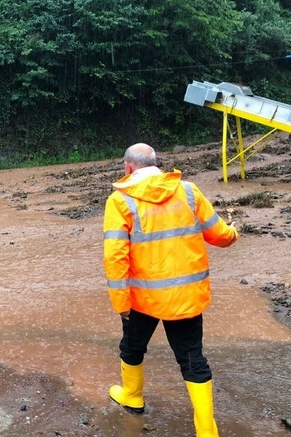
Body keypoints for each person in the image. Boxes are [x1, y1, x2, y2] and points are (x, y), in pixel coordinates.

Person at [102, 143, 238, 437]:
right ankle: (206, 431)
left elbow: (115, 257)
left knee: (132, 348)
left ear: (128, 167)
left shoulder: (120, 201)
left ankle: (132, 396)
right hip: (186, 297)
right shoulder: (188, 191)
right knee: (192, 359)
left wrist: (120, 301)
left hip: (143, 299)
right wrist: (233, 233)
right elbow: (219, 234)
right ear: (156, 164)